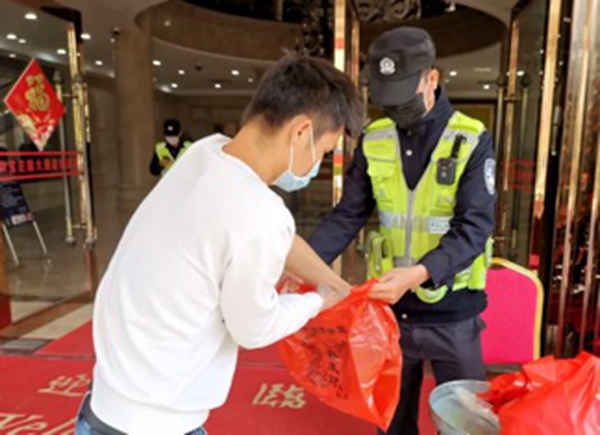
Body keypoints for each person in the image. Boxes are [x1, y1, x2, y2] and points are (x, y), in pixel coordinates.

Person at [73, 53, 364, 435]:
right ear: (300, 131)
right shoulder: (260, 212)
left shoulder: (205, 152)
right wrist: (317, 301)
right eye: (325, 151)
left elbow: (274, 236)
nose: (318, 163)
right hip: (156, 419)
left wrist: (339, 286)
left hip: (108, 400)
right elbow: (254, 328)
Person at [307, 27, 496, 434]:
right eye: (387, 98)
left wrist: (419, 273)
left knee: (467, 425)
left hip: (454, 316)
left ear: (432, 79)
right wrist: (301, 264)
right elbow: (348, 214)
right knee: (391, 422)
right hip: (391, 317)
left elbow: (475, 226)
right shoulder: (375, 139)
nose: (396, 110)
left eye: (404, 96)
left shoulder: (469, 139)